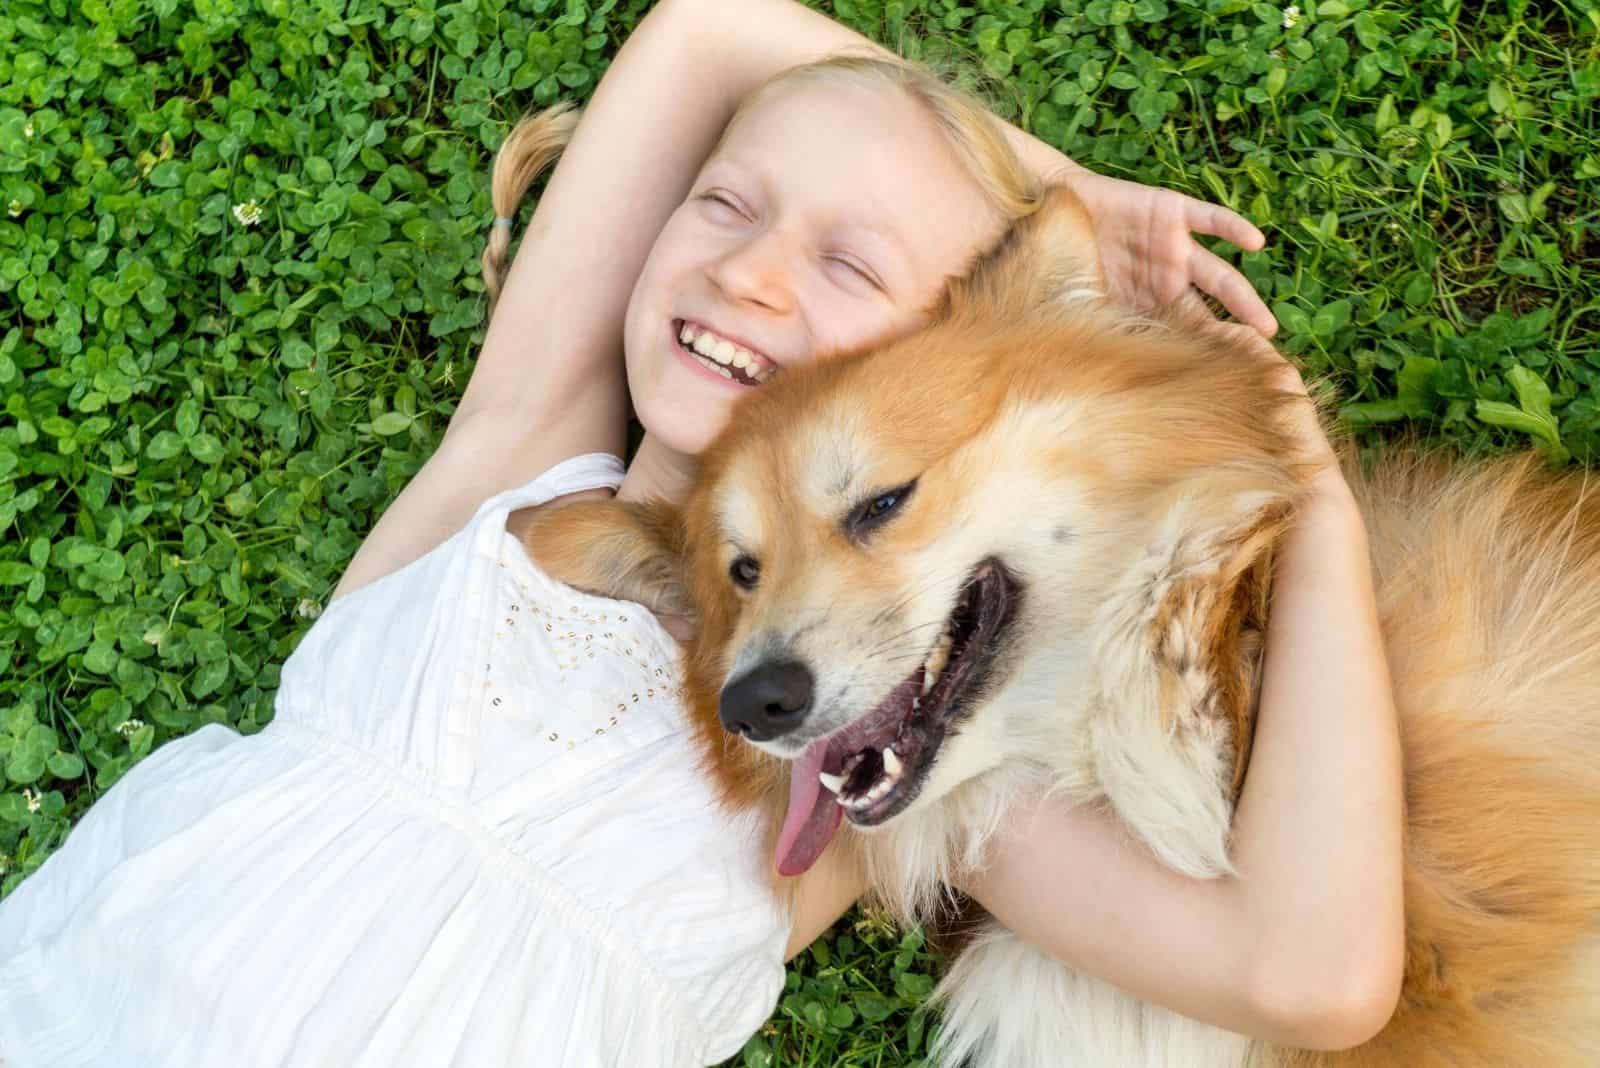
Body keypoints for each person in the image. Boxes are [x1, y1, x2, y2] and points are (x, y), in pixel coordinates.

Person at [0, 0, 1403, 1064]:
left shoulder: (893, 752)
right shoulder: (520, 458)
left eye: (850, 264)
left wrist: (1312, 492)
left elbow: (1310, 973)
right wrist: (1075, 190)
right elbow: (710, 23)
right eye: (724, 204)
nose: (747, 268)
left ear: (928, 376)